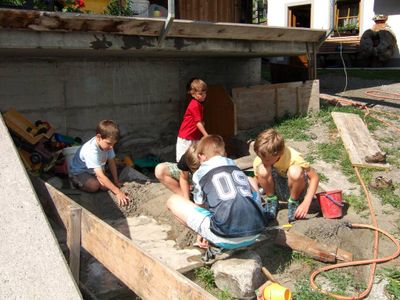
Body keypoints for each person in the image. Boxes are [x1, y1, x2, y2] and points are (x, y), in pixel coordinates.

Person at [167, 135, 267, 250]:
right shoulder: (235, 167)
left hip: (226, 238)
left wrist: (202, 231)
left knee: (172, 201)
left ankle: (209, 237)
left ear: (201, 156)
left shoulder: (200, 173)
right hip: (256, 232)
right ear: (224, 153)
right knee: (250, 180)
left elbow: (200, 207)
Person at [252, 128, 319, 223]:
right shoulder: (261, 160)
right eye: (260, 157)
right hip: (276, 191)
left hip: (295, 190)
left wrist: (306, 202)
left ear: (279, 154)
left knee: (295, 171)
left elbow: (314, 177)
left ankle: (294, 203)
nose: (263, 161)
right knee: (262, 169)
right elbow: (258, 179)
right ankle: (272, 202)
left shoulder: (294, 158)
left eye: (266, 160)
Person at [69, 120, 129, 206]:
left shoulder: (108, 145)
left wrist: (116, 180)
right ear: (98, 137)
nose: (111, 147)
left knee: (105, 186)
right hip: (80, 172)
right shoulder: (91, 150)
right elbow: (100, 175)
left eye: (114, 144)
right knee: (94, 186)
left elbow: (111, 162)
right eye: (108, 143)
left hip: (94, 171)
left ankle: (101, 181)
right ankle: (76, 182)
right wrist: (118, 192)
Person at [176, 78, 209, 162]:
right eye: (200, 94)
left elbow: (198, 121)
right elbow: (198, 123)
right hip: (186, 137)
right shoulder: (195, 104)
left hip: (193, 136)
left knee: (194, 158)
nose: (203, 95)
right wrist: (206, 135)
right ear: (193, 94)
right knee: (183, 159)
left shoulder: (199, 104)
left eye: (205, 93)